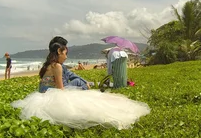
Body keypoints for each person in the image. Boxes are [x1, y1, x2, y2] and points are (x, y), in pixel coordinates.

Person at [11, 40, 150, 129]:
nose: (66, 56)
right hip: (53, 96)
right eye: (65, 53)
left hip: (41, 96)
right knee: (91, 103)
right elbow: (60, 89)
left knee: (86, 93)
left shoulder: (48, 65)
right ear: (59, 52)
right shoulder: (57, 66)